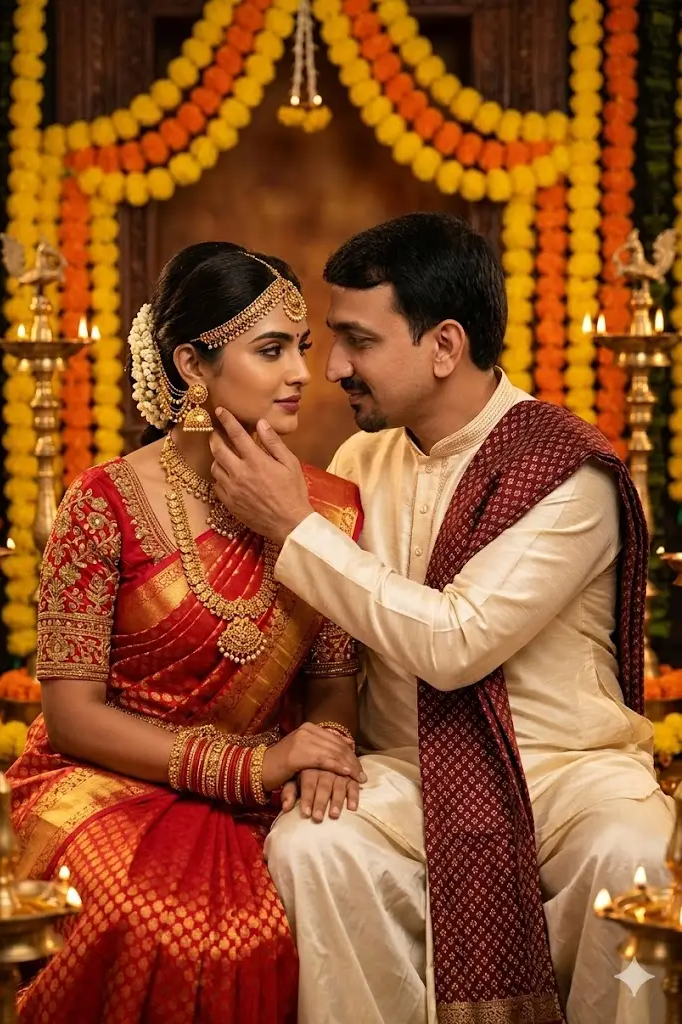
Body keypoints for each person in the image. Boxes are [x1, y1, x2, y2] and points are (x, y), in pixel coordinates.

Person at [207, 213, 674, 1024]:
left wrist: (293, 527)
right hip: (410, 770)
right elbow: (334, 639)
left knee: (631, 859)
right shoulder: (363, 459)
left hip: (561, 775)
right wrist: (327, 742)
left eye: (357, 340)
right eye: (331, 339)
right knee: (312, 845)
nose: (334, 367)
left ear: (445, 345)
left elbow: (454, 642)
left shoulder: (570, 475)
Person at [0, 242, 366, 1024]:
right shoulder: (102, 504)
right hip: (109, 781)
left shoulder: (331, 507)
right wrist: (249, 766)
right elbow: (71, 716)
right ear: (192, 367)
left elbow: (331, 681)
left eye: (299, 348)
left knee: (326, 892)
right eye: (269, 350)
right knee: (155, 921)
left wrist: (326, 752)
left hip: (271, 785)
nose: (301, 372)